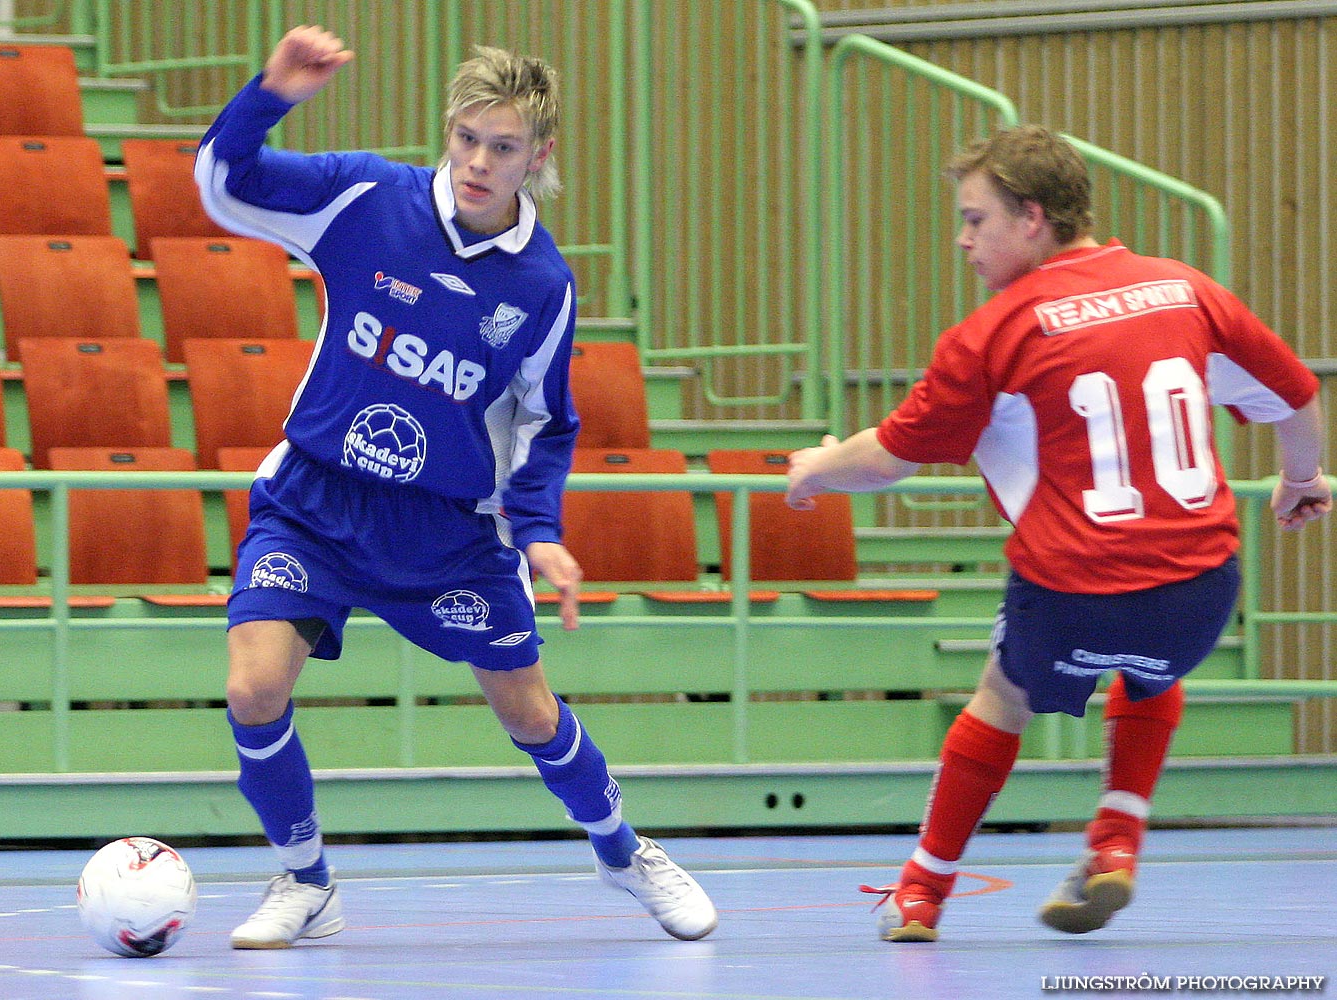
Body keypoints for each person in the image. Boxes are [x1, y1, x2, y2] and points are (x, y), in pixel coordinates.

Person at [194, 25, 717, 948]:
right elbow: (223, 183)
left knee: (532, 712)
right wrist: (271, 92)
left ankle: (623, 851)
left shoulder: (543, 285)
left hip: (446, 535)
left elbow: (549, 421)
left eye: (503, 147)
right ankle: (306, 880)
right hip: (315, 505)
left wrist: (540, 528)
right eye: (467, 137)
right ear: (449, 132)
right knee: (252, 689)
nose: (479, 162)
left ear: (539, 157)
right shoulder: (366, 198)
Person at [785, 125, 1330, 942]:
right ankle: (1116, 841)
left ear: (1032, 217)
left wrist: (817, 469)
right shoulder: (1185, 289)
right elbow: (1294, 396)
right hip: (1204, 595)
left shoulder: (996, 331)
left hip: (1073, 592)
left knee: (1002, 697)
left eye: (976, 220)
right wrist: (1299, 481)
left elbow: (892, 457)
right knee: (1150, 670)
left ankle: (922, 890)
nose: (962, 241)